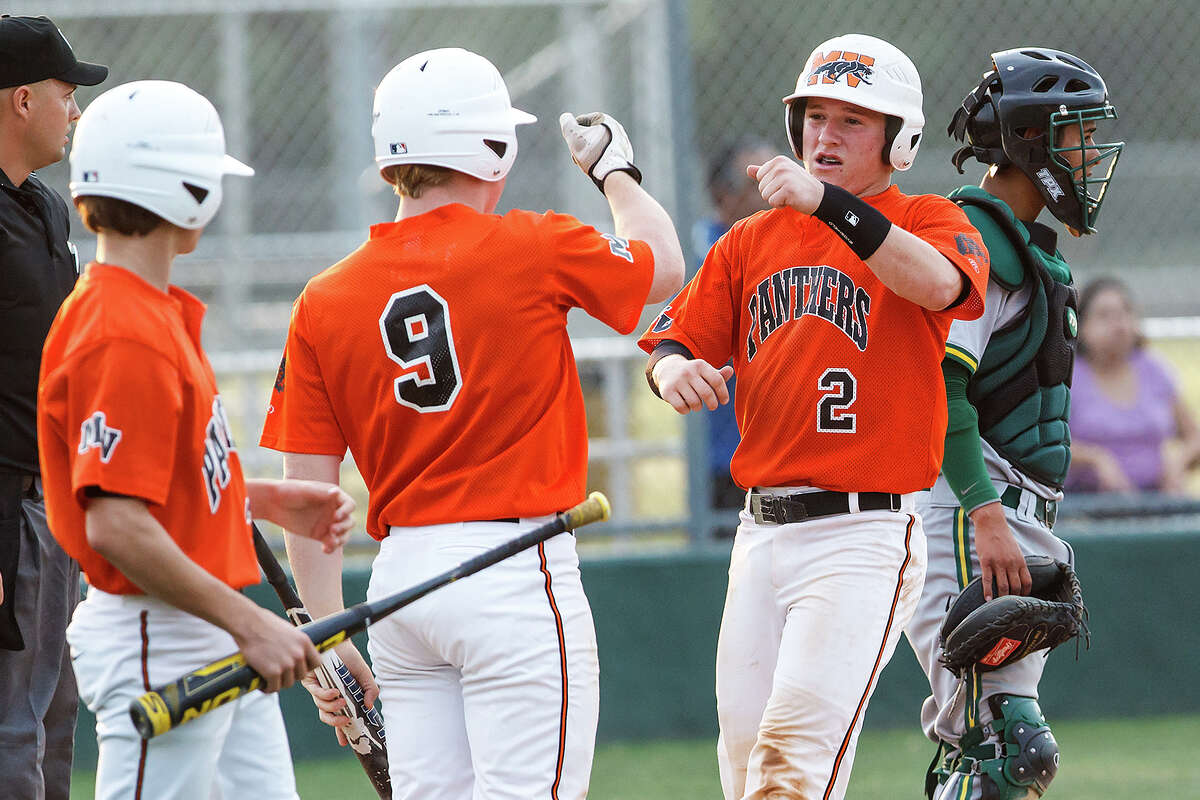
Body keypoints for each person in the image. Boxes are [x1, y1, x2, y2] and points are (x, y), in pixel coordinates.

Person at [259, 47, 683, 799]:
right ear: (491, 147)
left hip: (398, 589)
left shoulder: (321, 298)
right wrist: (615, 170)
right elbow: (664, 267)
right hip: (512, 568)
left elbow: (306, 494)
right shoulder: (532, 242)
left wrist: (328, 628)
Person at [638, 33, 989, 800]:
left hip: (863, 534)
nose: (824, 137)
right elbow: (669, 336)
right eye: (815, 117)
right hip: (760, 534)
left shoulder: (930, 217)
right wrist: (672, 369)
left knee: (791, 769)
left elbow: (938, 286)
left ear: (902, 141)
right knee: (745, 772)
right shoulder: (750, 241)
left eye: (852, 122)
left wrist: (828, 205)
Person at [37, 79, 357, 800]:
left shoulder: (142, 312)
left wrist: (260, 497)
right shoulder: (123, 330)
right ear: (180, 190)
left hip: (197, 621)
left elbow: (159, 482)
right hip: (165, 631)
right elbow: (116, 522)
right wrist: (253, 625)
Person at [904, 48, 1123, 800]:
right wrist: (986, 514)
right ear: (1030, 138)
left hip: (1008, 521)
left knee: (995, 756)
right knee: (1003, 754)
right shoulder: (977, 239)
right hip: (970, 518)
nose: (1091, 155)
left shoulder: (1030, 249)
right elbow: (944, 389)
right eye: (1077, 135)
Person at [0, 15, 107, 799]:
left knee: (54, 717)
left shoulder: (44, 208)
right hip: (7, 509)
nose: (75, 113)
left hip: (53, 502)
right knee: (11, 726)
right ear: (21, 101)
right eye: (66, 94)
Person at [695, 137, 777, 532]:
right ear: (722, 195)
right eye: (754, 184)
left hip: (777, 450)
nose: (769, 195)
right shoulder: (707, 248)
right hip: (723, 455)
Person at [1067, 276, 1200, 494]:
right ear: (1081, 327)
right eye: (1104, 316)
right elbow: (1047, 446)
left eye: (1125, 313)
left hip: (1158, 497)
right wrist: (1095, 459)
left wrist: (1179, 462)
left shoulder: (1154, 369)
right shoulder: (1068, 376)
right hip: (1086, 503)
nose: (1119, 325)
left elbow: (1194, 438)